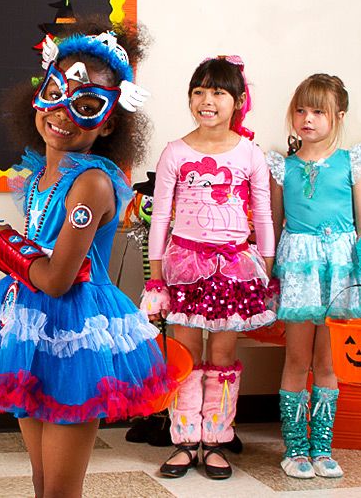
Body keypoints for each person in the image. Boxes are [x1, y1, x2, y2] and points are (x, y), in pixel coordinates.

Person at [0, 19, 174, 497]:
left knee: (60, 491)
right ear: (38, 96)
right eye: (56, 92)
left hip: (76, 342)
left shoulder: (91, 183)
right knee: (43, 481)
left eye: (86, 105)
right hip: (30, 331)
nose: (63, 113)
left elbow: (54, 279)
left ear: (108, 121)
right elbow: (26, 268)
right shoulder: (37, 178)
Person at [142, 56, 276, 480]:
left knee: (222, 355)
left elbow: (264, 214)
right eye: (199, 91)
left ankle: (215, 440)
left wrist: (265, 266)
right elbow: (161, 215)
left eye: (218, 92)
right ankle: (183, 441)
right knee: (184, 354)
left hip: (234, 268)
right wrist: (157, 272)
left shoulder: (250, 153)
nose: (207, 100)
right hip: (184, 265)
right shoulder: (175, 152)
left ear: (237, 101)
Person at [269, 74, 361, 479]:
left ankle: (322, 446)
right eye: (300, 109)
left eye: (318, 111)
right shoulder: (281, 168)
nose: (307, 119)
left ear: (338, 116)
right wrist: (268, 272)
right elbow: (274, 223)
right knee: (297, 358)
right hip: (300, 266)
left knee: (327, 362)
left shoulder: (353, 163)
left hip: (339, 267)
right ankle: (295, 448)